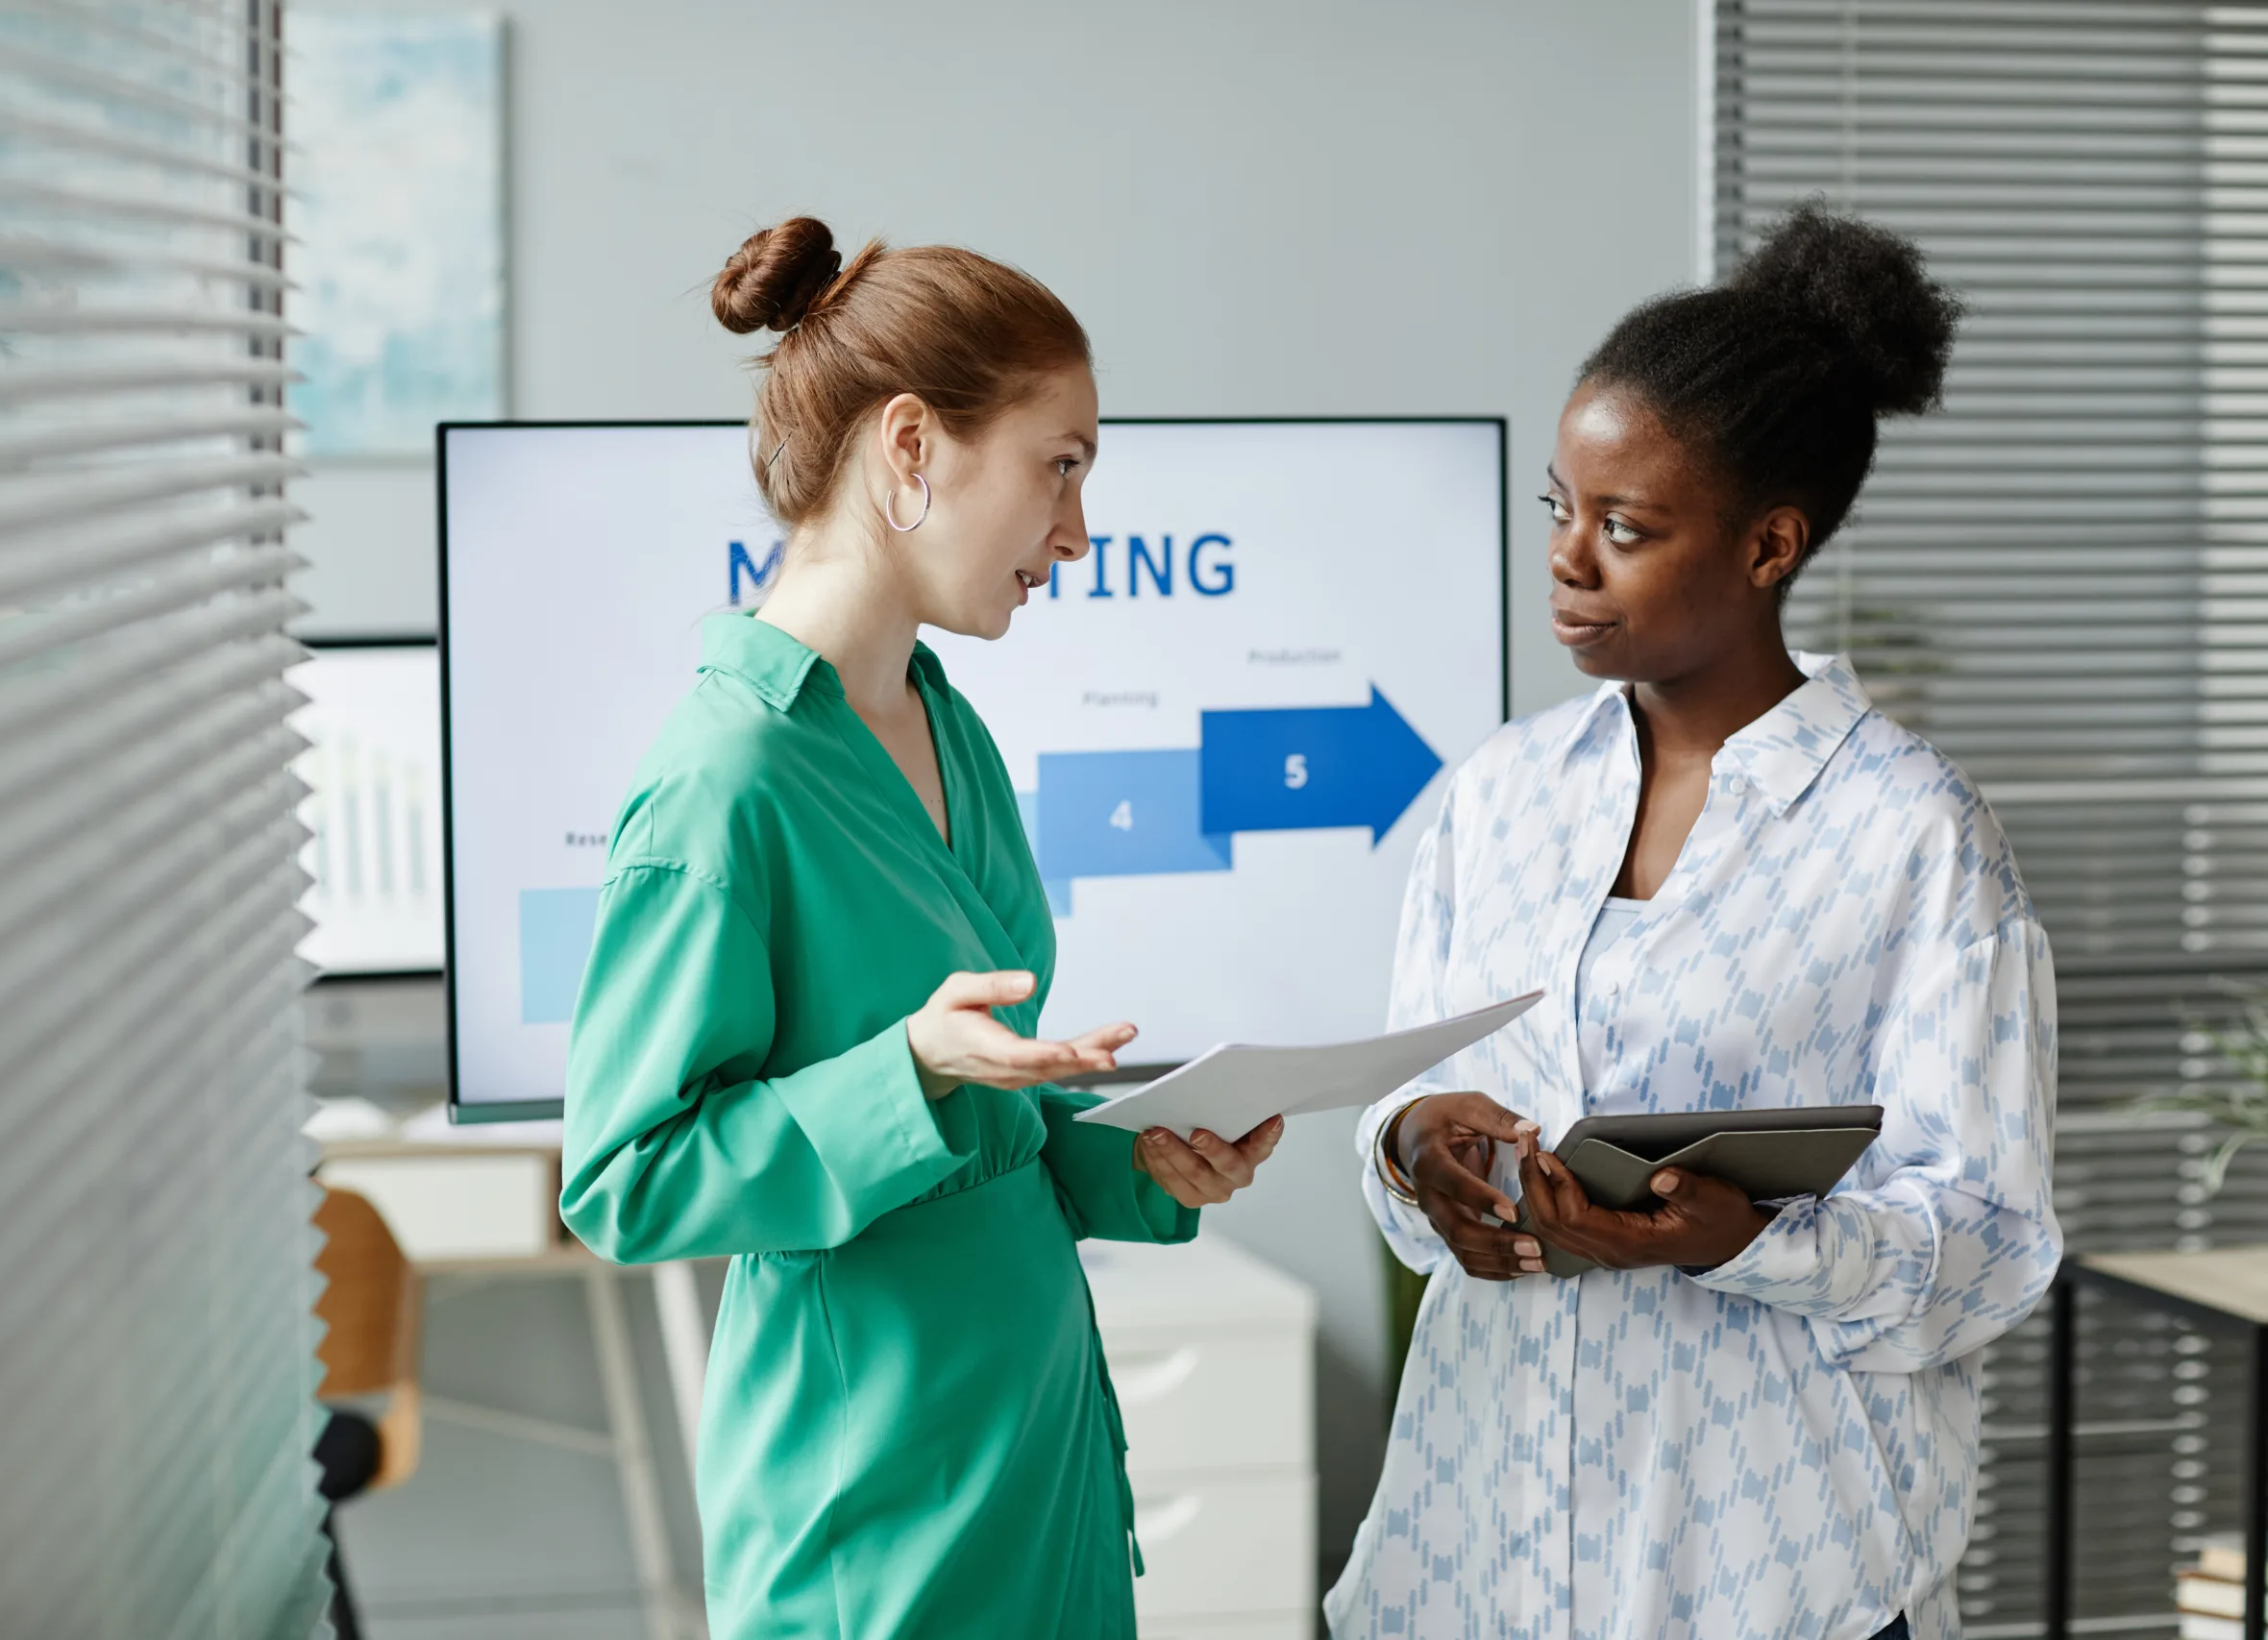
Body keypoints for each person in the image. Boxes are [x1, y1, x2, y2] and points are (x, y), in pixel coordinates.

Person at [1326, 206, 2059, 1640]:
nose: (1569, 560)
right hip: (1483, 1550)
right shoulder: (1498, 797)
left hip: (1773, 1575)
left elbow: (1986, 1239)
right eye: (1560, 508)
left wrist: (1737, 1240)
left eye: (1627, 527)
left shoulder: (1911, 834)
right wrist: (1419, 1156)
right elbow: (1404, 1093)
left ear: (1771, 542)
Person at [558, 217, 1284, 1640]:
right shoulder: (724, 781)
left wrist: (1146, 1162)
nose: (1078, 531)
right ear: (911, 447)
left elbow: (988, 1123)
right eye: (1059, 467)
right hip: (873, 1512)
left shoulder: (948, 727)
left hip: (1040, 1466)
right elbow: (627, 1179)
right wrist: (910, 1069)